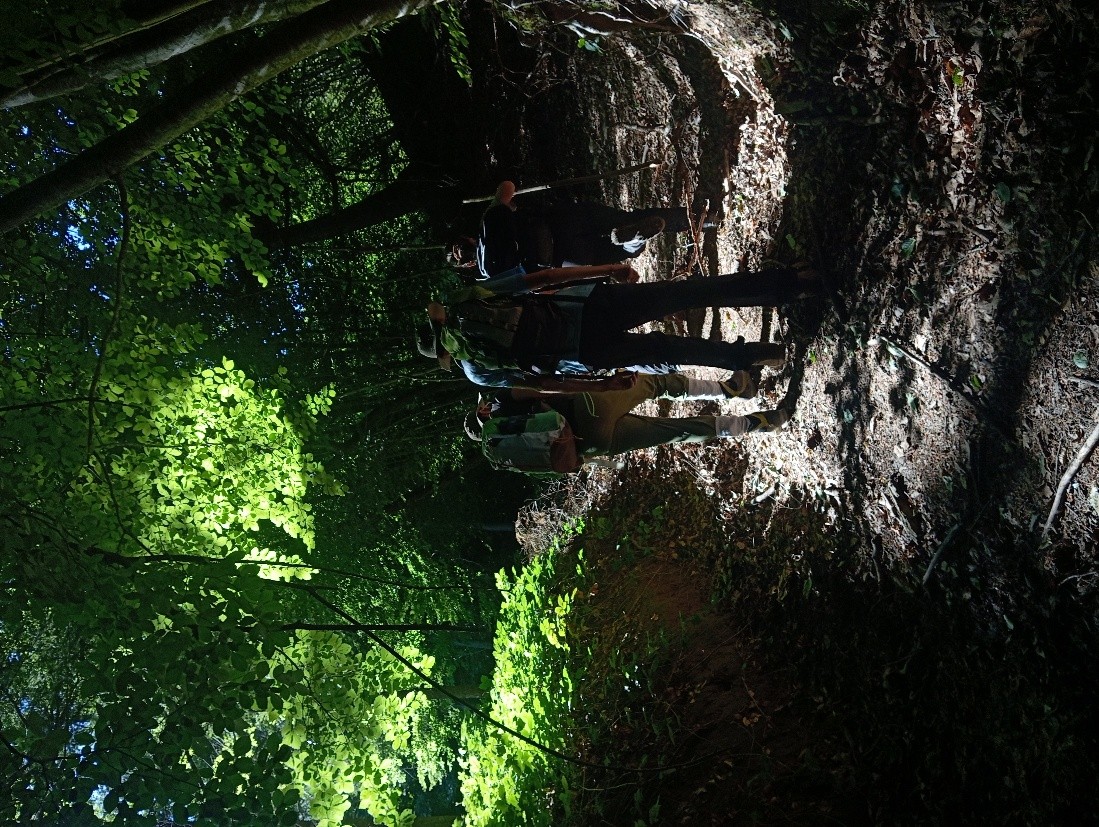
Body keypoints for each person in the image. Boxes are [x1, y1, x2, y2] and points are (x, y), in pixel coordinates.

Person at [417, 262, 820, 391]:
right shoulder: (471, 297)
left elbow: (540, 383)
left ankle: (753, 356)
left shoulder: (476, 370)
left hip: (582, 354)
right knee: (686, 293)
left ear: (443, 353)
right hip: (588, 306)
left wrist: (599, 386)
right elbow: (543, 280)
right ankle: (789, 283)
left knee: (667, 350)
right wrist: (606, 269)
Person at [468, 371, 789, 463]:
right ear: (481, 411)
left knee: (675, 431)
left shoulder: (503, 450)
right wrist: (594, 384)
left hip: (592, 444)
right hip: (588, 406)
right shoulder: (498, 403)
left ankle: (755, 424)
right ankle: (730, 389)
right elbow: (543, 388)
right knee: (655, 384)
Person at [451, 180, 701, 280]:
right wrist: (504, 204)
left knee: (616, 253)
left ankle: (632, 242)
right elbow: (507, 186)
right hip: (561, 221)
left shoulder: (492, 277)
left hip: (561, 258)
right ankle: (701, 218)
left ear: (469, 265)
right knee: (627, 219)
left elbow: (535, 284)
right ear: (469, 239)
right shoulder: (488, 222)